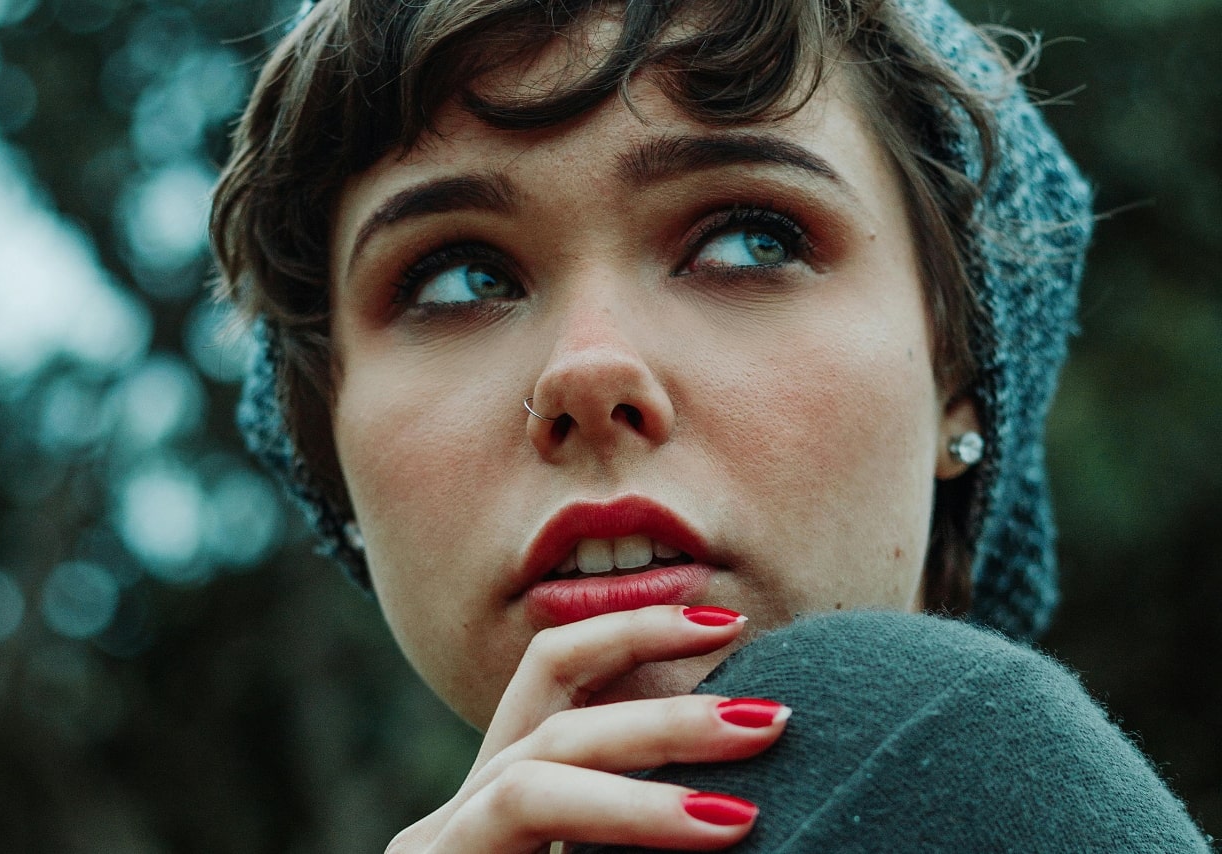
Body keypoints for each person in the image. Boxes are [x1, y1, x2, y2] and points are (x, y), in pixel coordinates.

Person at [210, 0, 1212, 850]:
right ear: (327, 440)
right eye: (457, 279)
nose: (586, 370)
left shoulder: (978, 743)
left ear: (959, 363)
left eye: (745, 238)